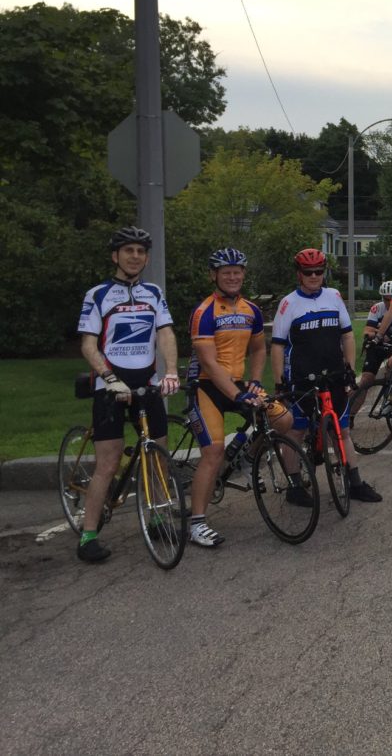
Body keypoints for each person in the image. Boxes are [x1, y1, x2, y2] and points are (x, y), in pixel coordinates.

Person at [75, 226, 181, 563]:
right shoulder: (98, 294)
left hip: (146, 384)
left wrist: (171, 371)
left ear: (146, 258)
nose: (135, 256)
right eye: (128, 251)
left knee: (158, 455)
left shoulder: (153, 293)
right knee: (108, 462)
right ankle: (88, 535)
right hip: (110, 387)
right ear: (115, 256)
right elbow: (88, 344)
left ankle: (158, 518)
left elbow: (165, 334)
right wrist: (108, 377)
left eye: (140, 252)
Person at [184, 248, 293, 548]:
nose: (232, 277)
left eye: (237, 272)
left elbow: (258, 349)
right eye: (226, 272)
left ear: (243, 275)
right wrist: (238, 395)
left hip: (238, 383)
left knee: (283, 418)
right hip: (206, 385)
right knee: (213, 451)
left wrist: (254, 383)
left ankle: (248, 458)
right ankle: (197, 523)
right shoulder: (204, 311)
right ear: (214, 275)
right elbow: (209, 363)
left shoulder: (251, 310)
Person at [270, 248, 382, 503]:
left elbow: (347, 335)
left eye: (318, 271)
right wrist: (279, 382)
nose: (314, 276)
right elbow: (277, 345)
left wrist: (350, 369)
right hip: (301, 376)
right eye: (308, 272)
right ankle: (294, 487)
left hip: (333, 374)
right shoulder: (288, 303)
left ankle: (355, 483)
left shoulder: (333, 296)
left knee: (341, 430)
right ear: (299, 274)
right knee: (296, 431)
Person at [356, 279, 392, 395]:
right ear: (382, 298)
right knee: (366, 380)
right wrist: (380, 334)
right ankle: (352, 407)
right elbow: (367, 332)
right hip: (378, 346)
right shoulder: (377, 308)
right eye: (386, 299)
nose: (390, 303)